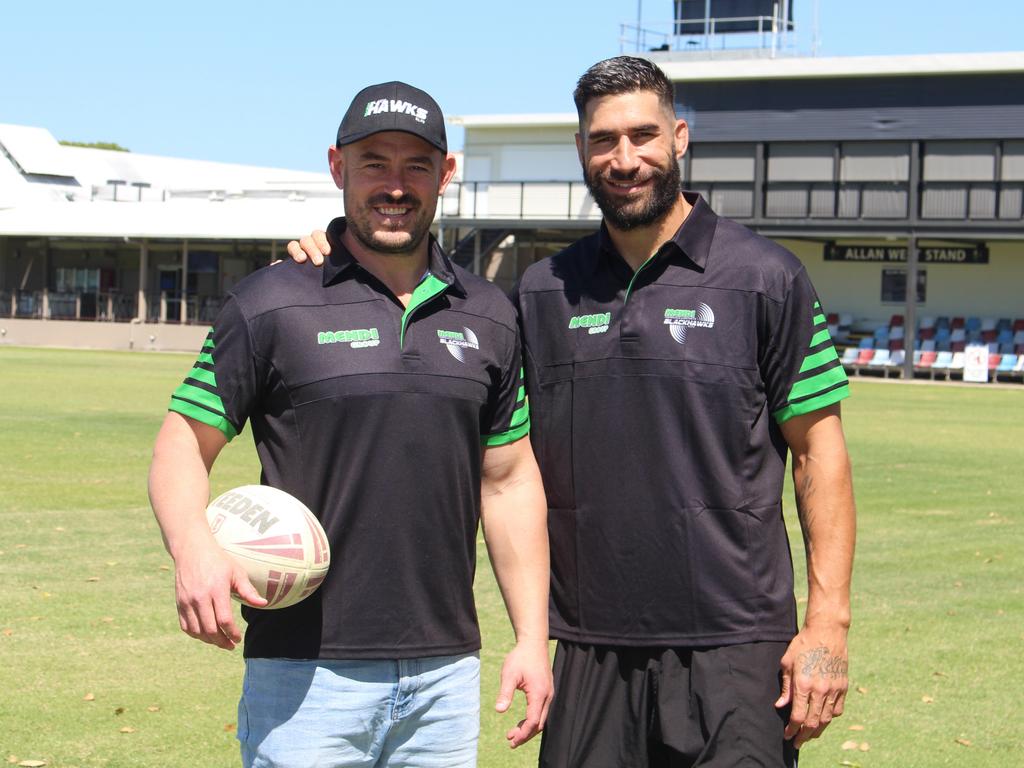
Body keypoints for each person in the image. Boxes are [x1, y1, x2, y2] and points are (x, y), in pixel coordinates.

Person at [288, 57, 856, 767]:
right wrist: (336, 249)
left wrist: (827, 623)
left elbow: (818, 451)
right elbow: (477, 413)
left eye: (643, 135)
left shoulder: (766, 278)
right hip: (586, 647)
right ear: (582, 151)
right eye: (602, 141)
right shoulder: (540, 292)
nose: (625, 159)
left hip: (737, 646)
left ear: (679, 138)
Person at [149, 80, 552, 768]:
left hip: (445, 676)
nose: (394, 186)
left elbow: (510, 481)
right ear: (337, 168)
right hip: (305, 676)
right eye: (373, 164)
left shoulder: (489, 313)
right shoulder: (272, 302)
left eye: (415, 166)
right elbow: (183, 444)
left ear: (445, 176)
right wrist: (193, 550)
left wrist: (531, 638)